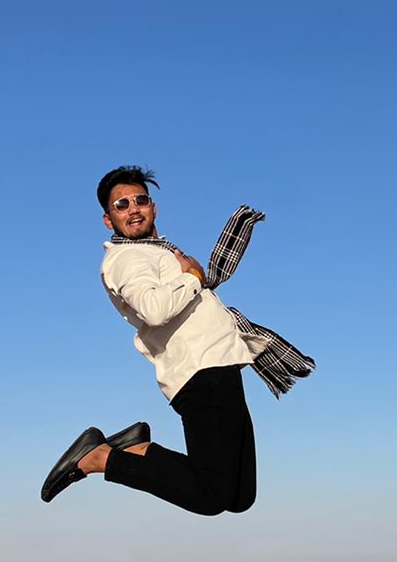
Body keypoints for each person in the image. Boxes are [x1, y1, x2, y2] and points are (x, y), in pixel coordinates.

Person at [40, 166, 312, 513]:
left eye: (140, 200)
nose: (133, 209)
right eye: (121, 205)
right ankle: (102, 458)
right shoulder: (126, 258)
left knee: (239, 497)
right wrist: (194, 276)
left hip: (221, 365)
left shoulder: (159, 252)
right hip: (199, 371)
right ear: (108, 220)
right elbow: (154, 309)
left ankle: (138, 450)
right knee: (211, 495)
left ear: (153, 207)